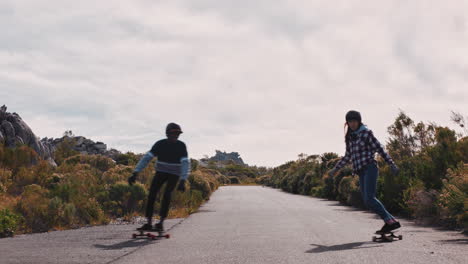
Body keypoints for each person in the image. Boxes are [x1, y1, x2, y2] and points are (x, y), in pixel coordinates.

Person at [329, 110, 401, 234]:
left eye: (354, 121)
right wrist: (336, 168)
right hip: (360, 171)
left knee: (369, 198)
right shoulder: (350, 137)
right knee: (367, 200)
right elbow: (348, 156)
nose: (352, 124)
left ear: (359, 121)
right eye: (350, 122)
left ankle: (390, 222)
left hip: (370, 168)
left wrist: (391, 164)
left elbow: (380, 149)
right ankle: (390, 221)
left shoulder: (366, 133)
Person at [128, 123, 190, 231]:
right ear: (167, 134)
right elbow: (147, 158)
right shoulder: (160, 144)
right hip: (160, 172)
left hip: (174, 174)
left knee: (167, 195)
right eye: (174, 133)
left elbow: (185, 163)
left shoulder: (181, 146)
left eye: (178, 134)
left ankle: (160, 223)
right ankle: (149, 223)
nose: (176, 136)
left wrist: (183, 180)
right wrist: (135, 173)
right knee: (152, 194)